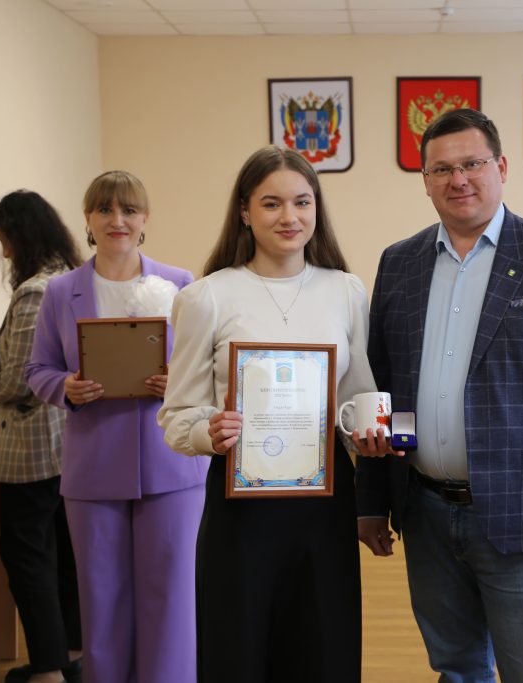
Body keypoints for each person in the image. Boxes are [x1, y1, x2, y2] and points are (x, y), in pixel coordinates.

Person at [355, 108, 523, 683]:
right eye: (442, 169)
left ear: (500, 167)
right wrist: (372, 500)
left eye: (472, 164)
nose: (459, 180)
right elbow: (387, 388)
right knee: (456, 669)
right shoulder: (399, 264)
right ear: (425, 181)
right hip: (425, 512)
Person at [158, 146, 373, 683]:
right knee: (238, 652)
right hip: (241, 508)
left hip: (325, 504)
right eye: (271, 203)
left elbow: (357, 399)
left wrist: (367, 430)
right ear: (244, 211)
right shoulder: (206, 297)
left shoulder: (345, 290)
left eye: (302, 202)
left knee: (324, 651)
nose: (289, 216)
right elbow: (177, 415)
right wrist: (208, 432)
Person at [25, 171, 208, 683]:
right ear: (87, 219)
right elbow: (37, 370)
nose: (117, 220)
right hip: (93, 468)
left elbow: (207, 366)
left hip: (172, 463)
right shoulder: (61, 292)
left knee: (171, 597)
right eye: (104, 209)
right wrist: (66, 387)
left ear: (145, 218)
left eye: (128, 209)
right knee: (101, 598)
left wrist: (178, 381)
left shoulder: (181, 283)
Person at [0, 190, 83, 683]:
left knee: (27, 556)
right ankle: (71, 658)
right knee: (62, 553)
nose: (3, 251)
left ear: (21, 236)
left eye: (4, 240)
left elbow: (20, 379)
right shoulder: (72, 279)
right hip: (65, 443)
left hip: (34, 448)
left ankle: (48, 670)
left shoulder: (36, 290)